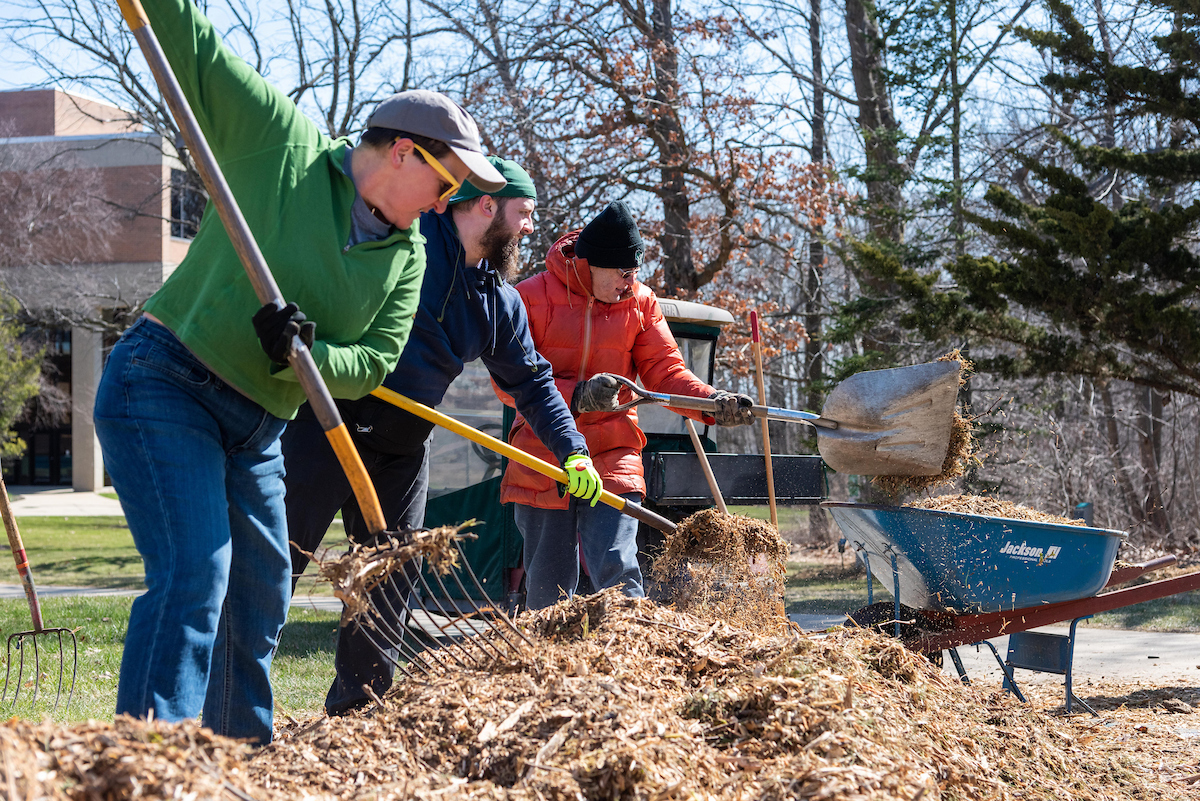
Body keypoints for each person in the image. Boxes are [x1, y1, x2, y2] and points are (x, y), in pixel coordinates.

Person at [92, 0, 506, 745]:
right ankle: (148, 763)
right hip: (165, 382)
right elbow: (194, 45)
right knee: (195, 572)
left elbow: (373, 361)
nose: (452, 202)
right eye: (450, 183)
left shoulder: (407, 255)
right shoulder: (279, 143)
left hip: (257, 425)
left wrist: (307, 351)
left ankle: (239, 757)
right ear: (407, 153)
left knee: (260, 591)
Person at [282, 156, 602, 715]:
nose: (530, 227)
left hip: (403, 448)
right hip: (326, 428)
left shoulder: (496, 301)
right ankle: (231, 710)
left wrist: (574, 452)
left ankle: (359, 711)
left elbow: (533, 383)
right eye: (524, 213)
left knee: (389, 581)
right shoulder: (406, 246)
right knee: (274, 564)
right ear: (485, 206)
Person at [498, 200, 755, 611]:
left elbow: (667, 373)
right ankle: (547, 666)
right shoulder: (527, 298)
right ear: (592, 264)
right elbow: (508, 383)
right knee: (549, 586)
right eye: (623, 272)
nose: (629, 282)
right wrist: (578, 395)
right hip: (542, 455)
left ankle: (634, 660)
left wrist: (712, 403)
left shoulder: (641, 302)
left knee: (619, 568)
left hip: (612, 452)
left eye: (635, 273)